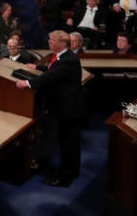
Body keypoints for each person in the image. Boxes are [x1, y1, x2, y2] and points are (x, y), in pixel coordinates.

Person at [16, 30, 85, 187]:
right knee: (70, 142)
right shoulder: (63, 57)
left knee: (67, 143)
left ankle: (64, 178)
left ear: (61, 44)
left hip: (69, 110)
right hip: (69, 107)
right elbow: (52, 69)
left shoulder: (68, 60)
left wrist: (27, 83)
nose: (48, 42)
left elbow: (51, 77)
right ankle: (73, 171)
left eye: (51, 40)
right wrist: (37, 67)